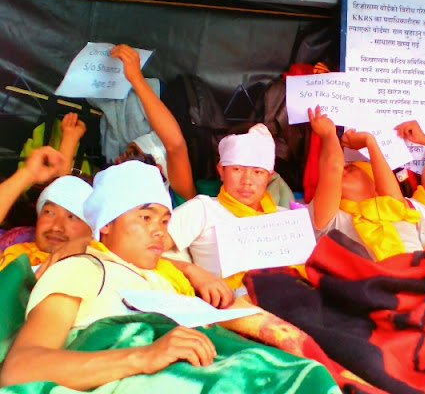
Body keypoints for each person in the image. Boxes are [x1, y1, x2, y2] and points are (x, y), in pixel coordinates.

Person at [0, 161, 216, 390]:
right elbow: (20, 368)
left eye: (164, 221)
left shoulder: (163, 280)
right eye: (145, 217)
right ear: (106, 224)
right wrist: (143, 357)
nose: (160, 231)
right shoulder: (82, 270)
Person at [308, 107, 425, 289]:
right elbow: (332, 168)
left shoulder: (404, 214)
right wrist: (328, 134)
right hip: (374, 291)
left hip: (423, 285)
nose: (342, 169)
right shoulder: (330, 219)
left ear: (374, 187)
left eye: (351, 169)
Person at [166, 123, 286, 304]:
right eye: (237, 169)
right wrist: (192, 271)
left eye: (257, 172)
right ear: (221, 170)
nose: (247, 181)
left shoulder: (284, 219)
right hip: (231, 307)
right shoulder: (203, 210)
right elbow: (142, 250)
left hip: (287, 302)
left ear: (269, 177)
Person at [110, 44, 196, 201]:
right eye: (127, 156)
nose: (117, 160)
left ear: (158, 169)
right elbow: (174, 146)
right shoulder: (113, 198)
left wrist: (136, 78)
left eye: (128, 156)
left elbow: (175, 146)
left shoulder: (179, 199)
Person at [0, 147, 93, 273]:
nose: (56, 227)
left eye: (72, 216)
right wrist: (27, 174)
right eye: (49, 213)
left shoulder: (98, 269)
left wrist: (88, 244)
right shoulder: (16, 253)